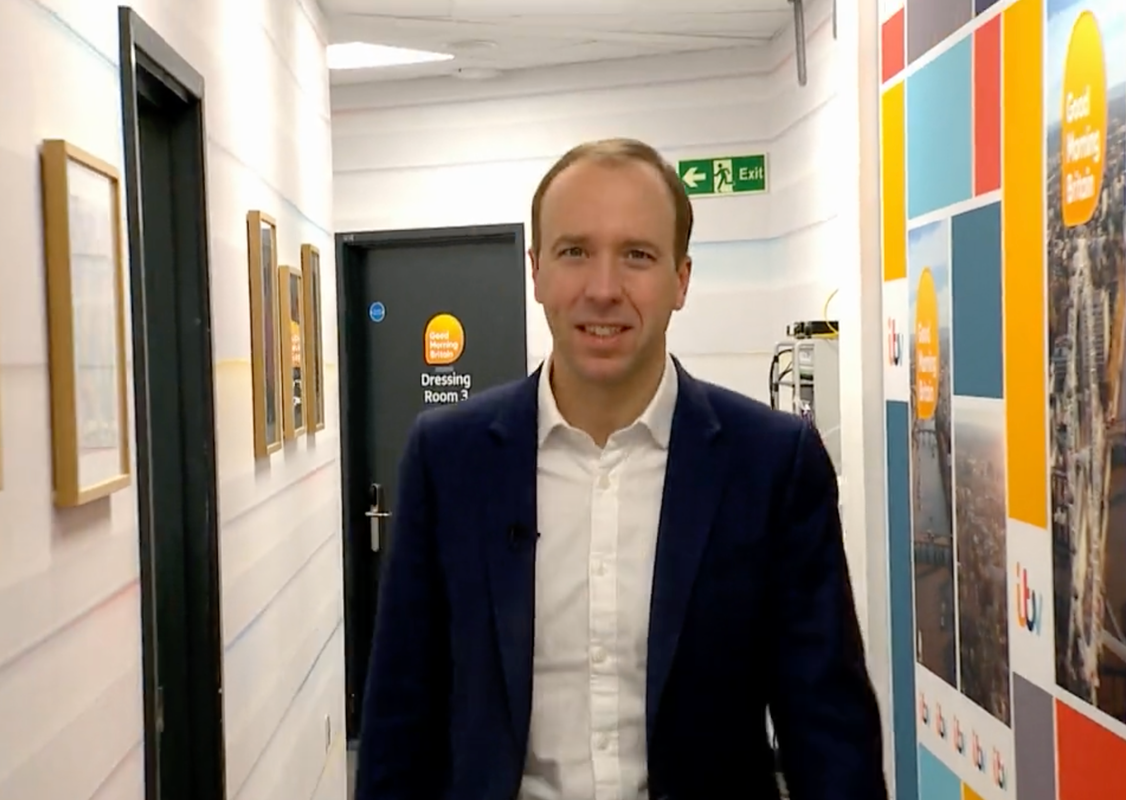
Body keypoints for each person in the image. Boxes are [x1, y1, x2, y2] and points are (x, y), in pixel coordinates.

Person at [354, 137, 887, 800]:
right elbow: (400, 721)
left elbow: (828, 731)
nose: (603, 290)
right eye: (574, 251)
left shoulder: (772, 463)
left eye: (637, 255)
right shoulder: (448, 458)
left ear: (681, 279)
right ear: (537, 271)